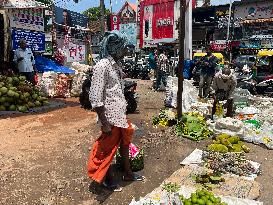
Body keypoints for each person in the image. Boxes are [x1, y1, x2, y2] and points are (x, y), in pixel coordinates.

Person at [87, 31, 144, 192]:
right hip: (110, 117)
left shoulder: (115, 64)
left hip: (120, 114)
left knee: (125, 144)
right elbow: (95, 96)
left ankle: (128, 173)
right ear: (116, 48)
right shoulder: (102, 66)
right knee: (106, 150)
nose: (126, 51)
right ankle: (105, 178)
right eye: (124, 48)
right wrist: (104, 123)